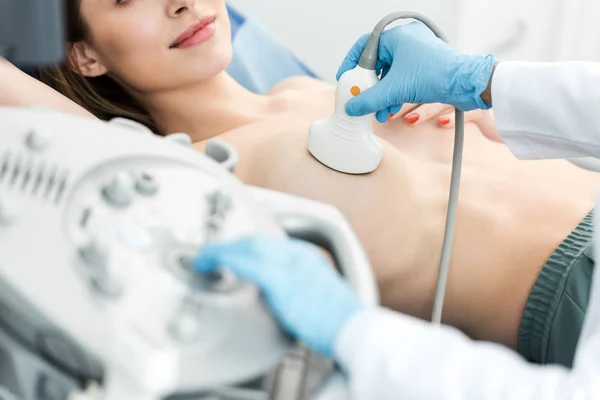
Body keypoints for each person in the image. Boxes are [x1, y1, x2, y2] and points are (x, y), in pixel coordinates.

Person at [0, 0, 599, 367]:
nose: (178, 2)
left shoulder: (319, 88)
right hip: (572, 304)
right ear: (84, 56)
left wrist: (480, 87)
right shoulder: (192, 175)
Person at [193, 21, 600, 398]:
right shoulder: (182, 174)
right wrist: (354, 333)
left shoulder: (298, 87)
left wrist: (484, 82)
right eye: (125, 1)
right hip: (569, 297)